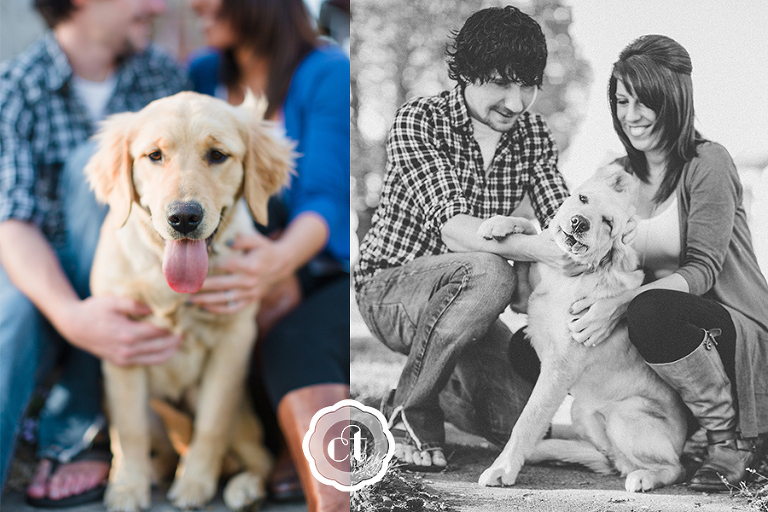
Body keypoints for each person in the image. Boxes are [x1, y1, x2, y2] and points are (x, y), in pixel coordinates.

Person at [353, 6, 586, 471]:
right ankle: (409, 412)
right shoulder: (419, 121)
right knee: (489, 269)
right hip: (391, 290)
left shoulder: (534, 134)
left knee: (518, 419)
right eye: (502, 82)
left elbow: (562, 220)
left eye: (527, 85)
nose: (516, 102)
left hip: (473, 304)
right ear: (466, 74)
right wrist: (535, 247)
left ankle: (400, 395)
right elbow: (454, 229)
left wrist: (577, 247)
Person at [0, 0, 187, 506]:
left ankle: (77, 433)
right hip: (40, 267)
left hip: (134, 269)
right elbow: (11, 223)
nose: (158, 6)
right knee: (13, 312)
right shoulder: (15, 87)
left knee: (95, 161)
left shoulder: (162, 77)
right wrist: (71, 315)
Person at [568, 34, 768, 491]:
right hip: (659, 333)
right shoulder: (617, 172)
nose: (631, 116)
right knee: (536, 338)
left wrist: (618, 304)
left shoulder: (707, 162)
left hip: (729, 323)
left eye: (646, 103)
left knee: (648, 309)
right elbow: (584, 244)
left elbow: (702, 270)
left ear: (674, 101)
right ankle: (637, 436)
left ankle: (730, 440)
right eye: (622, 101)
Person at [187, 0, 350, 511]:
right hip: (226, 266)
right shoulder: (202, 73)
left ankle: (327, 482)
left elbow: (325, 195)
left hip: (317, 265)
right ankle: (277, 442)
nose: (197, 6)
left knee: (291, 335)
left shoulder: (326, 71)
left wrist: (275, 266)